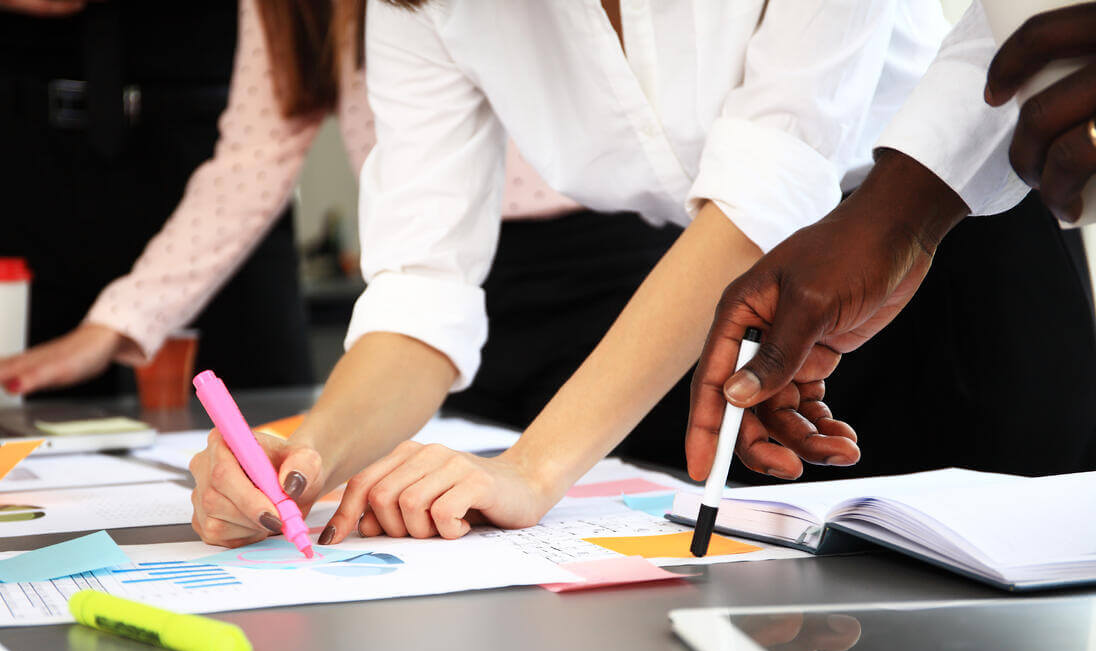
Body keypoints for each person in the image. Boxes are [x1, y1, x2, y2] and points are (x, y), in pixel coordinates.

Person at [187, 0, 958, 549]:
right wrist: (307, 453)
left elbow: (764, 191)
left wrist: (532, 467)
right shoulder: (418, 7)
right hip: (747, 316)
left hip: (936, 250)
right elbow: (421, 292)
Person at [685, 1, 1096, 486]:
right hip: (859, 236)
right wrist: (902, 211)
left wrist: (900, 208)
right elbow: (1021, 34)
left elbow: (775, 161)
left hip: (955, 242)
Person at [0, 0, 315, 396]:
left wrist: (116, 324)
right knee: (4, 423)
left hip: (221, 149)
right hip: (3, 146)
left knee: (267, 417)